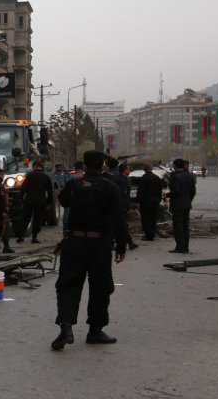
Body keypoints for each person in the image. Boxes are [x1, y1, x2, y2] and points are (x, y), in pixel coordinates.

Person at [51, 150, 128, 351]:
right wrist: (121, 246)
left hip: (73, 242)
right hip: (99, 245)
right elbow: (119, 219)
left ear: (83, 167)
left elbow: (64, 201)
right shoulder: (110, 188)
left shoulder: (73, 185)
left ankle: (66, 327)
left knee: (68, 285)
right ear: (103, 166)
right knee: (101, 287)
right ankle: (95, 330)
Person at [15, 160, 53, 244]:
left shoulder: (29, 175)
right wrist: (49, 203)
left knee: (25, 218)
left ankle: (20, 237)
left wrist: (20, 198)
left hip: (29, 200)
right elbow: (50, 191)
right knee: (37, 219)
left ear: (34, 166)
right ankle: (34, 238)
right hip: (40, 201)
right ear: (41, 167)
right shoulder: (46, 177)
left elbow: (23, 188)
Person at [166, 158, 196, 254]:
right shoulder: (190, 176)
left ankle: (180, 247)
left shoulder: (174, 176)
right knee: (185, 226)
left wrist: (167, 195)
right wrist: (188, 200)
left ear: (174, 166)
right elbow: (193, 191)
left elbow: (175, 191)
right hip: (186, 205)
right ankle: (185, 247)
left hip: (177, 205)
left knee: (178, 226)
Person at [135, 164, 164, 241]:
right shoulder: (157, 178)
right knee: (153, 218)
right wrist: (159, 199)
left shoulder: (143, 178)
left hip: (146, 202)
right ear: (151, 169)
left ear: (144, 170)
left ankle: (149, 235)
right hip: (155, 201)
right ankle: (152, 233)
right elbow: (160, 190)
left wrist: (138, 201)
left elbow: (141, 191)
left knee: (146, 218)